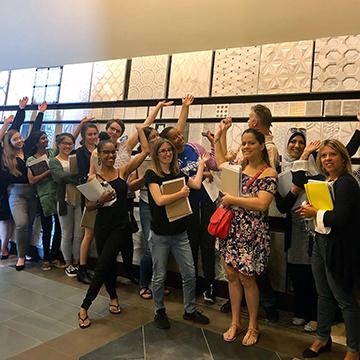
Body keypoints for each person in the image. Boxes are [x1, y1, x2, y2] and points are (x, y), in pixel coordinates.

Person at [78, 125, 150, 329]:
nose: (110, 155)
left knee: (102, 264)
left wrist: (141, 130)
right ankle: (113, 297)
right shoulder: (93, 178)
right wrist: (100, 200)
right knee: (107, 264)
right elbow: (89, 206)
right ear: (98, 155)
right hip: (102, 226)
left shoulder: (122, 171)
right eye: (106, 152)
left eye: (113, 152)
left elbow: (145, 152)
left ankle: (84, 306)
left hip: (121, 226)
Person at [295, 139, 360, 360]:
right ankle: (323, 337)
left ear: (343, 158)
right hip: (322, 244)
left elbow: (340, 218)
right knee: (323, 294)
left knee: (345, 299)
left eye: (332, 155)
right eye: (323, 156)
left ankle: (353, 349)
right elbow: (299, 181)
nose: (327, 159)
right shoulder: (325, 180)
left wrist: (315, 213)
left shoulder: (346, 183)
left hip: (340, 248)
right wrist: (309, 209)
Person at [214, 123, 278, 346]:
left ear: (262, 146)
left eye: (251, 143)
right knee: (231, 276)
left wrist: (233, 200)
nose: (246, 147)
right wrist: (219, 136)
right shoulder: (239, 166)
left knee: (248, 279)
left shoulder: (269, 172)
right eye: (243, 143)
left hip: (252, 233)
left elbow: (262, 204)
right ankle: (235, 322)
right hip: (230, 230)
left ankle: (253, 325)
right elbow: (221, 161)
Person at [145, 138, 210, 329]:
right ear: (157, 154)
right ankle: (159, 311)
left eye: (169, 150)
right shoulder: (151, 174)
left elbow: (196, 185)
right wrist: (181, 194)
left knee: (189, 273)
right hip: (160, 235)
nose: (167, 154)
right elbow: (159, 200)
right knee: (159, 276)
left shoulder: (177, 172)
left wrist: (201, 165)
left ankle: (190, 310)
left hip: (180, 233)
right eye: (163, 151)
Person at [160, 94, 219, 304]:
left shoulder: (194, 147)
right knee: (191, 245)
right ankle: (191, 285)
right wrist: (202, 174)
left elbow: (214, 164)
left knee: (208, 244)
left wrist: (214, 143)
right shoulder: (170, 159)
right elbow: (187, 180)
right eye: (174, 137)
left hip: (207, 201)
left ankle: (210, 285)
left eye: (180, 135)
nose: (180, 138)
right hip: (188, 206)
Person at [275, 128, 317, 332]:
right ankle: (300, 312)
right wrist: (293, 190)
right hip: (294, 227)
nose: (297, 145)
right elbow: (282, 206)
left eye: (301, 142)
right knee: (298, 273)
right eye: (293, 142)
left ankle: (315, 316)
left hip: (314, 228)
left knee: (314, 274)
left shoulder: (315, 166)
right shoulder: (280, 170)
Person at [26, 131, 63, 271]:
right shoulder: (31, 159)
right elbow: (32, 180)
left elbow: (67, 142)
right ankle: (46, 258)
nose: (46, 140)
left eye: (46, 137)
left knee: (59, 227)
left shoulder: (52, 152)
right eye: (43, 138)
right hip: (44, 196)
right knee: (47, 228)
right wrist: (48, 172)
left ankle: (54, 256)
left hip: (57, 193)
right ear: (36, 142)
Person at [50, 133, 82, 277]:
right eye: (65, 143)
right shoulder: (54, 160)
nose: (68, 146)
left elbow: (84, 174)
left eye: (70, 143)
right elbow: (59, 177)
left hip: (80, 199)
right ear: (58, 144)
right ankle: (68, 263)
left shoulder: (76, 158)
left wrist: (77, 178)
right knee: (67, 234)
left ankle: (76, 262)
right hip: (64, 200)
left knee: (78, 234)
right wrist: (78, 178)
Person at [76, 123, 99, 284]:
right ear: (84, 136)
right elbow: (83, 175)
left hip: (103, 192)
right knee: (88, 232)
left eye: (95, 134)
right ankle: (81, 268)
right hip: (89, 193)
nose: (92, 137)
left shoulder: (101, 149)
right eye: (89, 134)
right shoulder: (80, 152)